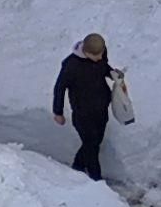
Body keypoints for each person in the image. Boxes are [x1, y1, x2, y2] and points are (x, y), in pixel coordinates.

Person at [52, 33, 125, 179]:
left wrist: (112, 73)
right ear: (86, 52)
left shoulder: (100, 54)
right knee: (91, 145)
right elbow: (60, 88)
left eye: (101, 54)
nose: (100, 58)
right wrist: (58, 112)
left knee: (95, 141)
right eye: (96, 56)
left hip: (101, 108)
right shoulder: (71, 65)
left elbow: (103, 66)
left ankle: (77, 167)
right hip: (82, 113)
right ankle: (96, 179)